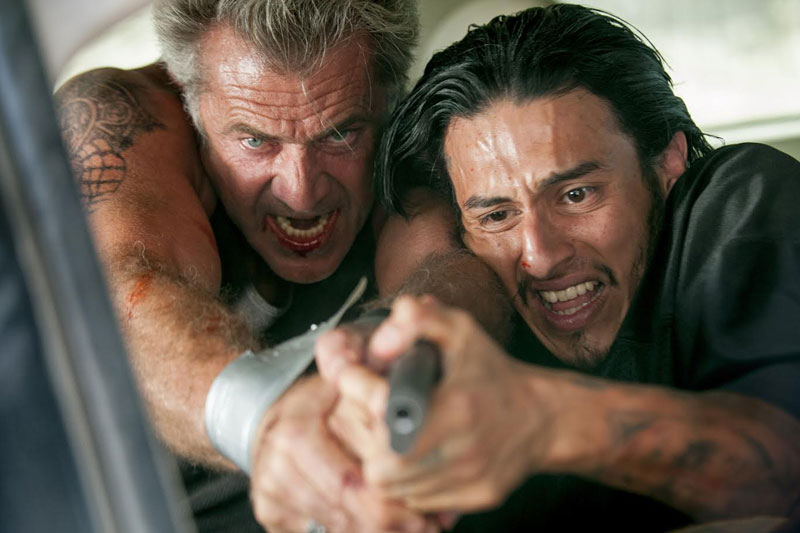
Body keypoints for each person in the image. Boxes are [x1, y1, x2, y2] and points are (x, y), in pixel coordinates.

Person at [316, 4, 800, 531]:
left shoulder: (740, 206)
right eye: (498, 215)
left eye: (576, 194)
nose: (541, 255)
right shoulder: (484, 307)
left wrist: (545, 420)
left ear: (668, 161)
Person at [55, 1, 513, 532]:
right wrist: (265, 420)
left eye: (339, 135)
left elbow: (447, 266)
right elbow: (121, 295)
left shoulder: (410, 133)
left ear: (385, 98)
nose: (301, 193)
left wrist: (388, 380)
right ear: (188, 96)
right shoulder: (122, 117)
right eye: (255, 140)